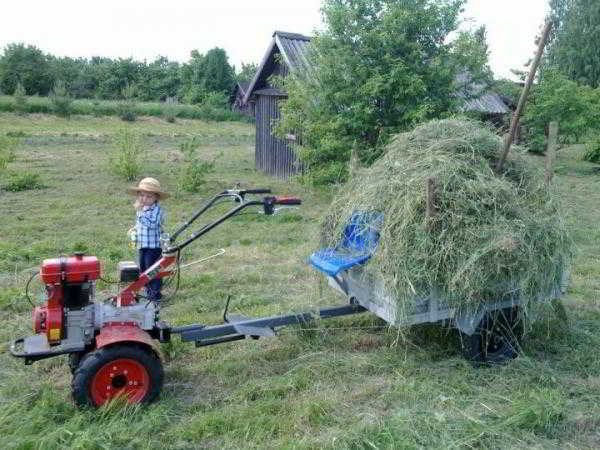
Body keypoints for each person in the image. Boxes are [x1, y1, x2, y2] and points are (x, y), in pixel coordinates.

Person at [127, 177, 169, 301]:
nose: (144, 199)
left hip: (153, 247)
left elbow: (152, 224)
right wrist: (134, 229)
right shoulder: (143, 209)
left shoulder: (157, 210)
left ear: (156, 198)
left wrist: (140, 213)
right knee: (144, 269)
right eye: (142, 196)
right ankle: (147, 289)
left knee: (153, 270)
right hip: (143, 245)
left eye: (148, 197)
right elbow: (140, 225)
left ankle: (155, 293)